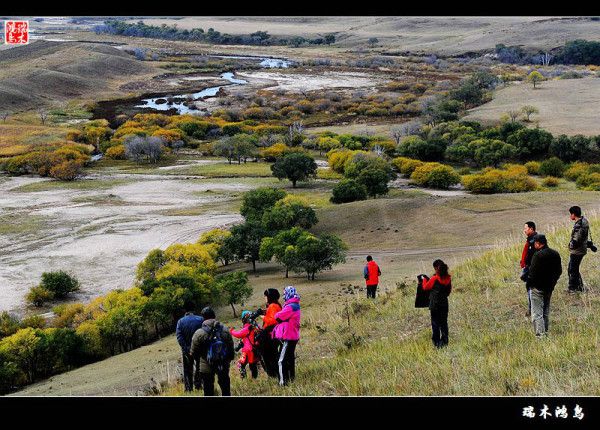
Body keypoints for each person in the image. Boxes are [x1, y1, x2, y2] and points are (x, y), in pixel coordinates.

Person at [190, 306, 234, 396]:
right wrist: (229, 358)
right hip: (223, 363)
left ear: (203, 318)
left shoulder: (199, 333)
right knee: (225, 387)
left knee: (208, 389)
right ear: (214, 316)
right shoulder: (224, 329)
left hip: (206, 365)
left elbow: (193, 352)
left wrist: (199, 360)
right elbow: (230, 346)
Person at [526, 234, 562, 337]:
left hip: (537, 288)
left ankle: (540, 335)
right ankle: (545, 332)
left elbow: (532, 274)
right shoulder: (555, 254)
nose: (534, 246)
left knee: (537, 313)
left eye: (535, 244)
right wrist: (553, 283)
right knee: (545, 311)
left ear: (538, 243)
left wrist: (529, 284)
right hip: (549, 288)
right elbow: (559, 271)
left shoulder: (537, 255)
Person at [273, 286, 301, 386]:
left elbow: (278, 316)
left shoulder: (290, 306)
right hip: (293, 336)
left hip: (288, 337)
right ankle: (291, 378)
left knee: (281, 360)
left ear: (289, 293)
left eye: (285, 293)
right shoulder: (295, 305)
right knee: (290, 358)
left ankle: (283, 383)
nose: (284, 296)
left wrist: (278, 315)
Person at [422, 260, 452, 348]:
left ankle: (437, 343)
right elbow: (449, 291)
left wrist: (424, 279)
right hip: (444, 303)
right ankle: (445, 342)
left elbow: (425, 287)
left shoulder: (435, 278)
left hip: (435, 304)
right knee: (444, 323)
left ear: (436, 268)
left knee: (435, 323)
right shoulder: (448, 278)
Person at [175, 305, 204, 392]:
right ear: (193, 311)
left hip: (187, 350)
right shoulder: (200, 319)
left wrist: (186, 348)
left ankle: (188, 389)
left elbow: (179, 336)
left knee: (187, 369)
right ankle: (198, 385)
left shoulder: (180, 321)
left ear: (185, 312)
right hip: (199, 348)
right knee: (200, 367)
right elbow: (204, 332)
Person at [255, 288, 282, 378]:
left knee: (269, 356)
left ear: (269, 296)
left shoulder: (273, 306)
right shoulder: (276, 305)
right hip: (274, 334)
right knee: (273, 355)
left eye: (266, 296)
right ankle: (276, 373)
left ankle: (274, 374)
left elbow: (273, 321)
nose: (265, 298)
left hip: (270, 335)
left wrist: (263, 317)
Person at [230, 310, 259, 379]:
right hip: (254, 349)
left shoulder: (247, 328)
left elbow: (238, 334)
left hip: (247, 350)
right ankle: (254, 379)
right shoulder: (254, 327)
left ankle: (244, 378)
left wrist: (231, 331)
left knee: (240, 364)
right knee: (253, 365)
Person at [568, 206, 589, 292]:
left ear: (573, 214)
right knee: (574, 268)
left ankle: (573, 288)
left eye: (570, 214)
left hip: (577, 251)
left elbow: (577, 239)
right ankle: (579, 287)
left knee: (572, 269)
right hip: (582, 249)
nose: (570, 216)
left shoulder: (578, 225)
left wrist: (571, 245)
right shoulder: (584, 221)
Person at [520, 221, 538, 317]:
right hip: (529, 268)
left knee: (531, 289)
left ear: (531, 229)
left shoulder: (535, 241)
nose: (524, 230)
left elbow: (534, 257)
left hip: (532, 269)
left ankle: (532, 310)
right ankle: (532, 309)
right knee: (530, 288)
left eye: (526, 228)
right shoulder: (531, 240)